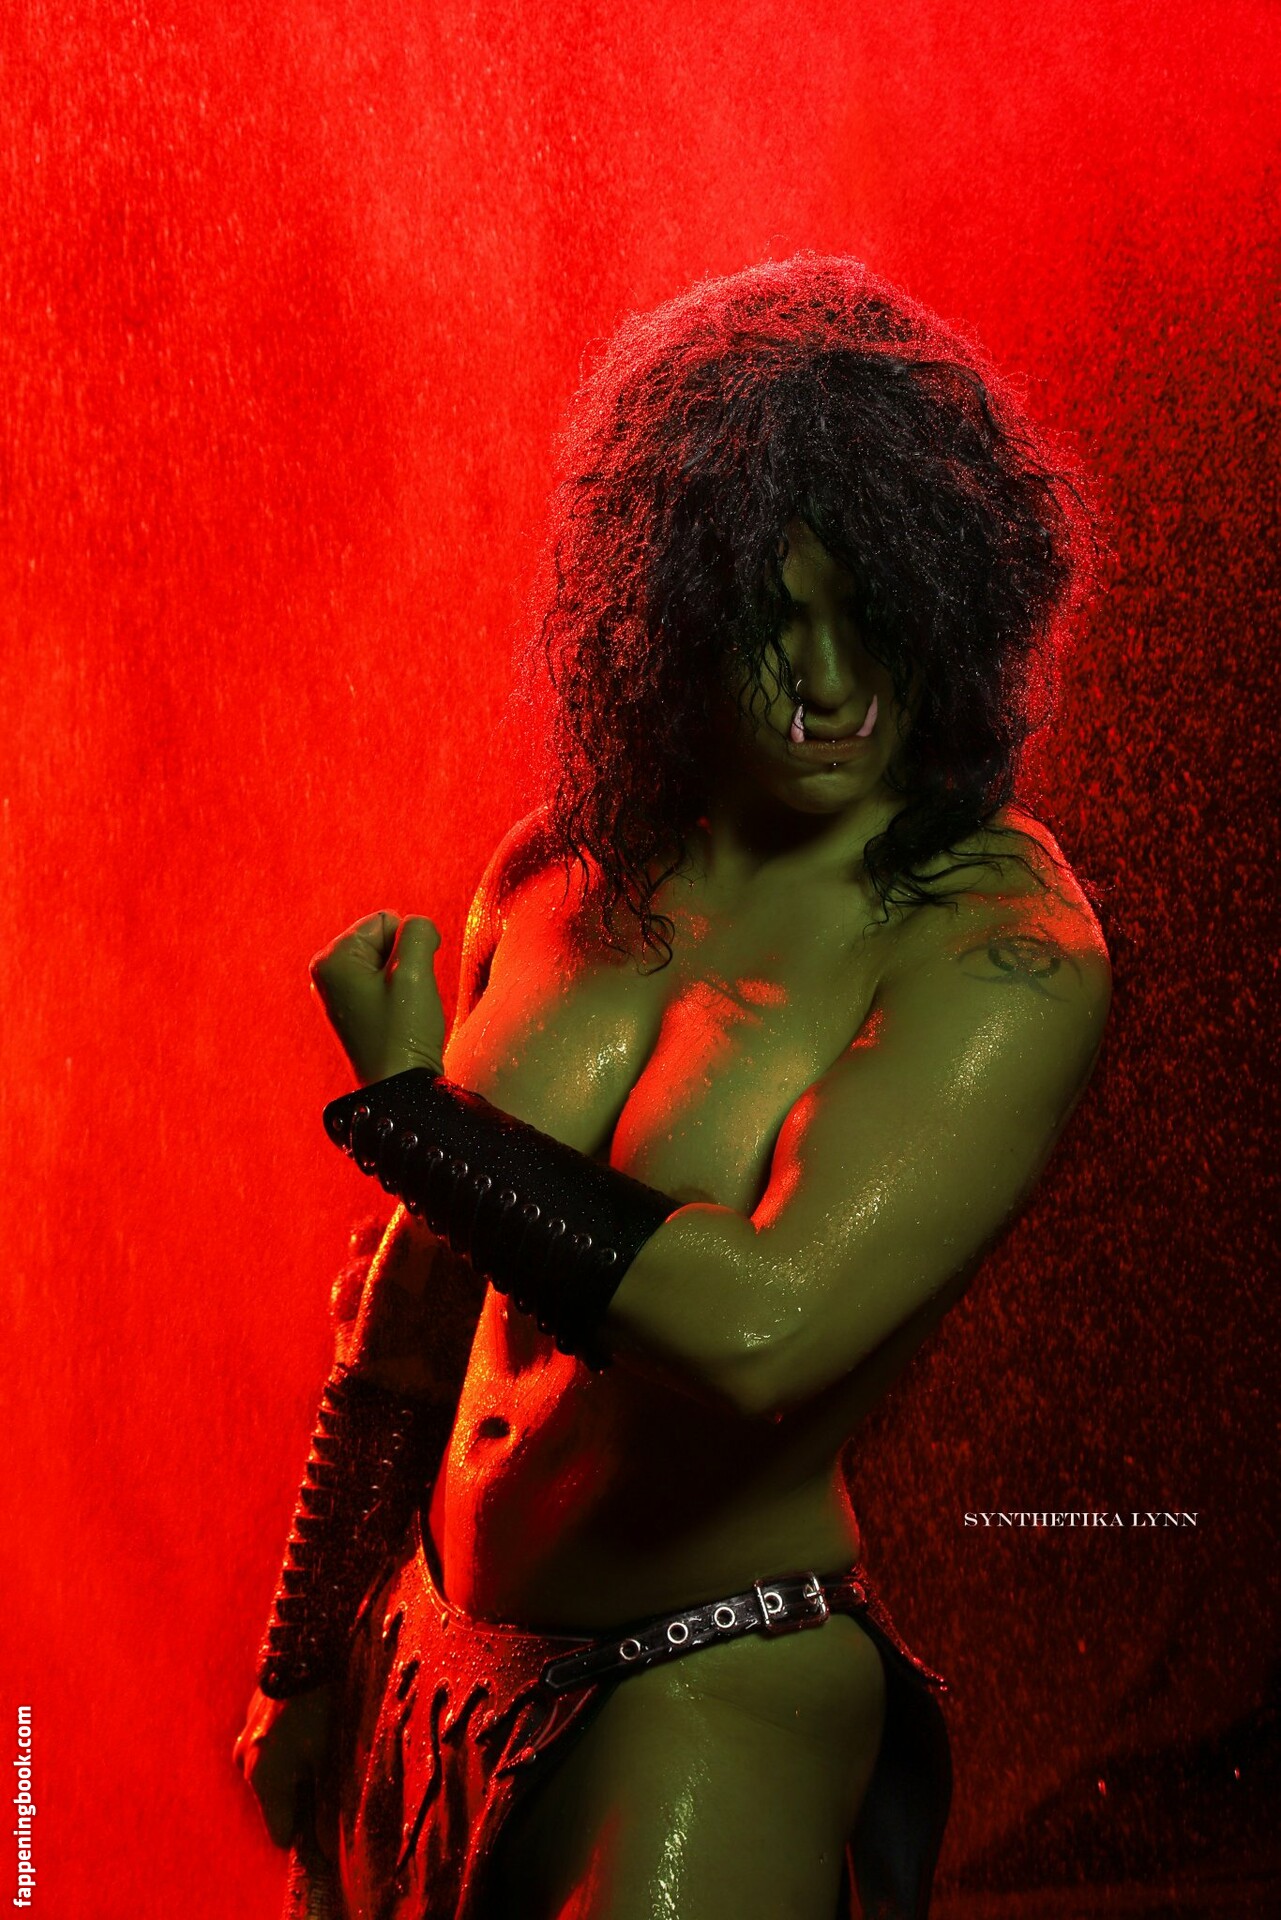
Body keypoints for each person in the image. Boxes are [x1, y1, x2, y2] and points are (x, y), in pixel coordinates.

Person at [234, 253, 1111, 1920]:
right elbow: (420, 1297)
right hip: (420, 1659)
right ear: (678, 608)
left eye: (874, 617)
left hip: (698, 1689)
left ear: (952, 608)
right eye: (774, 623)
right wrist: (300, 1652)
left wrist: (412, 1112)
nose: (830, 684)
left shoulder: (998, 950)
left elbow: (762, 1331)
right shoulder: (561, 873)